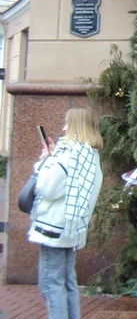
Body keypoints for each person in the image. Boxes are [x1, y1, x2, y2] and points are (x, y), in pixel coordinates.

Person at [28, 107, 104, 319]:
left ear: (76, 126)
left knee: (51, 283)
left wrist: (46, 160)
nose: (63, 128)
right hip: (71, 228)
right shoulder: (90, 155)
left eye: (67, 123)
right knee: (67, 281)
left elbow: (46, 187)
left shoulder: (69, 154)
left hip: (53, 227)